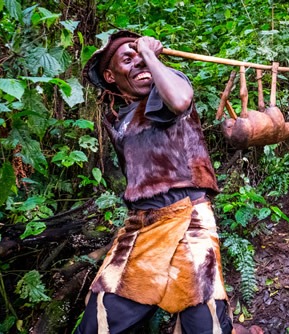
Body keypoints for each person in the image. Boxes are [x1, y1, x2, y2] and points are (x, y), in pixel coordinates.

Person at [79, 30, 234, 333]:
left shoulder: (166, 88)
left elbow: (179, 100)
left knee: (203, 320)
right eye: (128, 59)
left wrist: (149, 55)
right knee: (102, 316)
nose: (139, 63)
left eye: (141, 56)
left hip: (188, 217)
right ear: (110, 76)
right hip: (141, 227)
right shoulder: (116, 119)